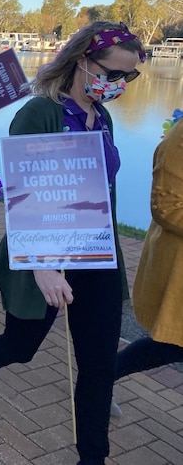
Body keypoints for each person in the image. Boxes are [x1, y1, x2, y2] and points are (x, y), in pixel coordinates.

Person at [0, 22, 143, 465]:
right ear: (82, 60)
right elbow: (21, 196)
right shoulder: (40, 113)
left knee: (98, 366)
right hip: (41, 255)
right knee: (21, 347)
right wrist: (42, 265)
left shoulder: (104, 116)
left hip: (96, 254)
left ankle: (92, 457)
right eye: (112, 73)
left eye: (128, 77)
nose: (117, 85)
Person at [113, 109, 183, 401]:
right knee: (169, 345)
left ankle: (101, 378)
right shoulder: (178, 141)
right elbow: (166, 208)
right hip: (178, 265)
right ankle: (102, 378)